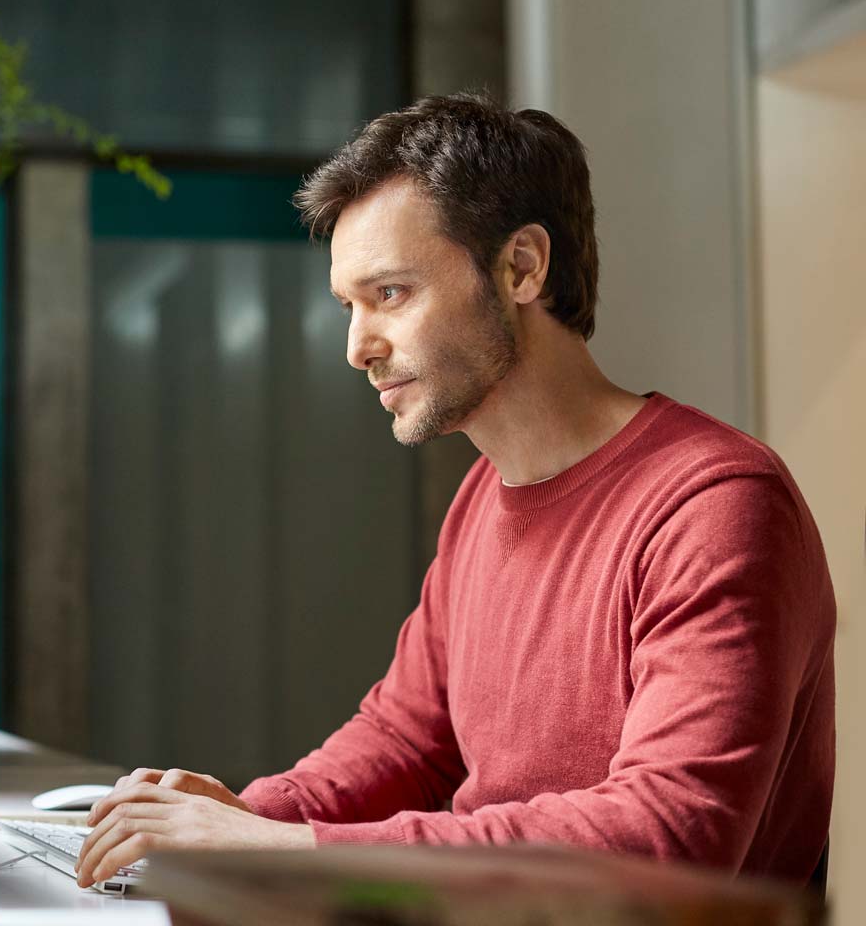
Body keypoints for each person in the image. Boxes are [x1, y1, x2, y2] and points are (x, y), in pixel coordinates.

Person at [73, 93, 836, 890]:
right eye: (348, 305)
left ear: (522, 268)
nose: (357, 347)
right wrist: (244, 815)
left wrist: (284, 850)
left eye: (391, 294)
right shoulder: (483, 496)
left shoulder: (716, 505)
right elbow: (407, 744)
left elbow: (670, 833)